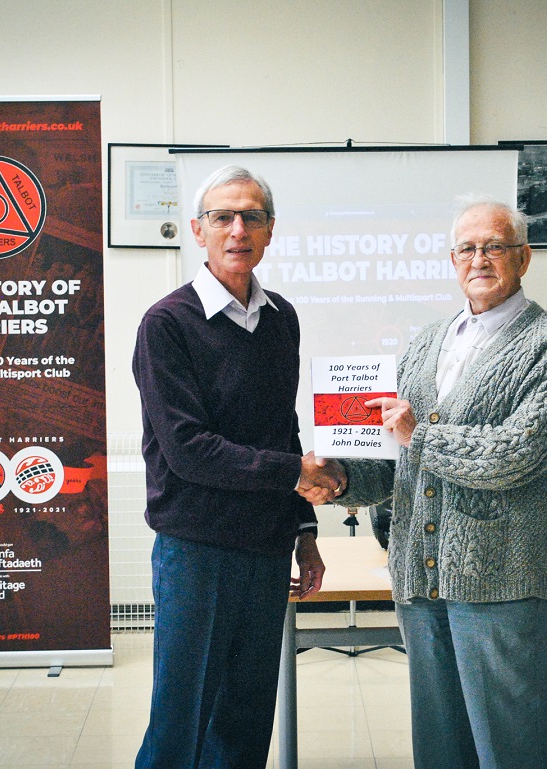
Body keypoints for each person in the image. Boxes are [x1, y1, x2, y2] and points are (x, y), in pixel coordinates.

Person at [310, 197, 547, 769]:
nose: (479, 258)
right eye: (467, 248)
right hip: (419, 574)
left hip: (500, 575)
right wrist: (339, 480)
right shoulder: (426, 341)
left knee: (511, 745)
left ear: (524, 258)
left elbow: (519, 452)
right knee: (439, 743)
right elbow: (397, 462)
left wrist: (418, 436)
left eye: (494, 246)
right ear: (452, 260)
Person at [132, 165, 342, 769]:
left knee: (247, 720)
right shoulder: (166, 323)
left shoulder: (281, 319)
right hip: (196, 549)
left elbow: (283, 430)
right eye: (223, 216)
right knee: (180, 721)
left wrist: (305, 534)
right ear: (198, 231)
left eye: (252, 216)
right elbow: (186, 448)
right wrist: (292, 474)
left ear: (271, 231)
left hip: (266, 548)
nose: (237, 228)